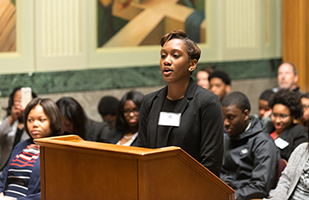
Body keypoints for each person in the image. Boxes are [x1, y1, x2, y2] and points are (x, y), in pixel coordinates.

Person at [138, 29, 224, 176]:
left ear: (192, 64)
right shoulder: (150, 102)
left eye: (175, 55)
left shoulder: (207, 102)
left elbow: (211, 162)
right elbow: (142, 152)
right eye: (163, 55)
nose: (167, 60)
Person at [0, 98, 64, 199]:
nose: (34, 124)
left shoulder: (59, 150)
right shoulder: (21, 146)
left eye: (41, 120)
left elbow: (55, 191)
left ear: (53, 121)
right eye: (30, 120)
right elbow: (3, 177)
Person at [220, 91, 280, 200]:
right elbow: (219, 173)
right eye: (223, 118)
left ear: (246, 115)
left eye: (231, 117)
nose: (225, 123)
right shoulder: (226, 138)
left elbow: (260, 186)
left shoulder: (263, 143)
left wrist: (229, 195)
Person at [0, 87, 37, 171]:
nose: (21, 104)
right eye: (18, 101)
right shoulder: (8, 121)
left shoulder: (34, 124)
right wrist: (12, 118)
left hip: (23, 170)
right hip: (3, 169)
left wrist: (30, 116)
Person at [268, 89, 308, 161]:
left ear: (293, 115)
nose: (277, 120)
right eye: (275, 115)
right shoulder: (267, 128)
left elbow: (297, 162)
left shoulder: (299, 133)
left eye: (283, 116)